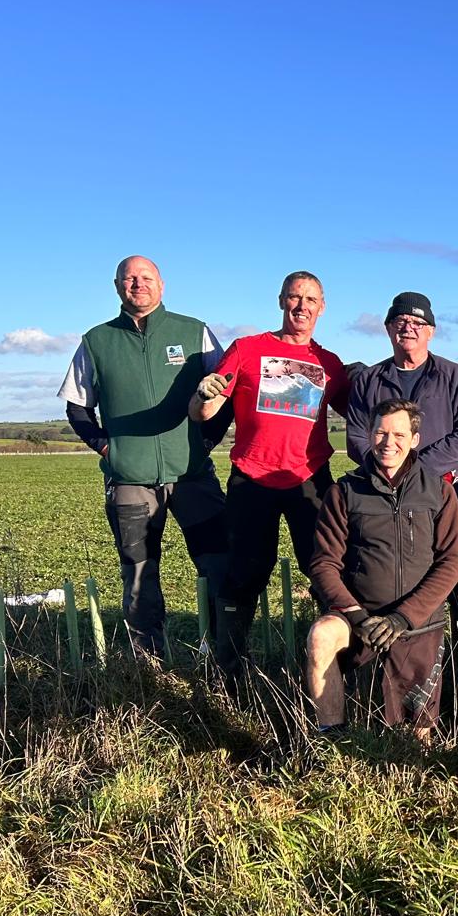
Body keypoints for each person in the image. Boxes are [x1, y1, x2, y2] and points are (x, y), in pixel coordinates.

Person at [57, 255, 229, 657]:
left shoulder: (194, 332)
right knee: (139, 572)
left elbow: (227, 392)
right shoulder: (96, 340)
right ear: (117, 286)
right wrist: (106, 448)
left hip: (192, 476)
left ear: (162, 284)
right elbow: (78, 407)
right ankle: (148, 660)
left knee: (217, 563)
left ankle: (219, 649)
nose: (138, 284)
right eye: (129, 278)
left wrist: (207, 441)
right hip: (130, 481)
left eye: (146, 277)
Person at [191, 272, 349, 689]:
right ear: (281, 300)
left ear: (323, 306)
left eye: (311, 299)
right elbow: (203, 413)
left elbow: (364, 412)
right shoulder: (248, 349)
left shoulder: (328, 363)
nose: (302, 306)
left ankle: (333, 667)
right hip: (252, 479)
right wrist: (204, 394)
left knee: (324, 572)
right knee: (244, 573)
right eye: (295, 297)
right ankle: (230, 673)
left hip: (309, 481)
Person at [346, 291, 458, 719]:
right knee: (387, 578)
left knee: (456, 581)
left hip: (445, 497)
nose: (408, 327)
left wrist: (416, 467)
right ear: (388, 328)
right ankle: (379, 683)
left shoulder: (453, 376)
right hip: (382, 502)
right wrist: (392, 467)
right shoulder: (369, 380)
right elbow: (355, 435)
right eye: (400, 321)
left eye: (417, 322)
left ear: (431, 330)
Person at [306, 399, 458, 739]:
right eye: (380, 432)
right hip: (357, 616)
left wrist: (402, 618)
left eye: (398, 434)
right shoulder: (344, 492)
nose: (388, 442)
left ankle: (409, 751)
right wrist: (357, 616)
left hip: (417, 622)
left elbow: (450, 564)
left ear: (415, 439)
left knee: (417, 738)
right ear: (369, 434)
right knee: (321, 635)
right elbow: (324, 563)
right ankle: (330, 735)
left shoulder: (439, 492)